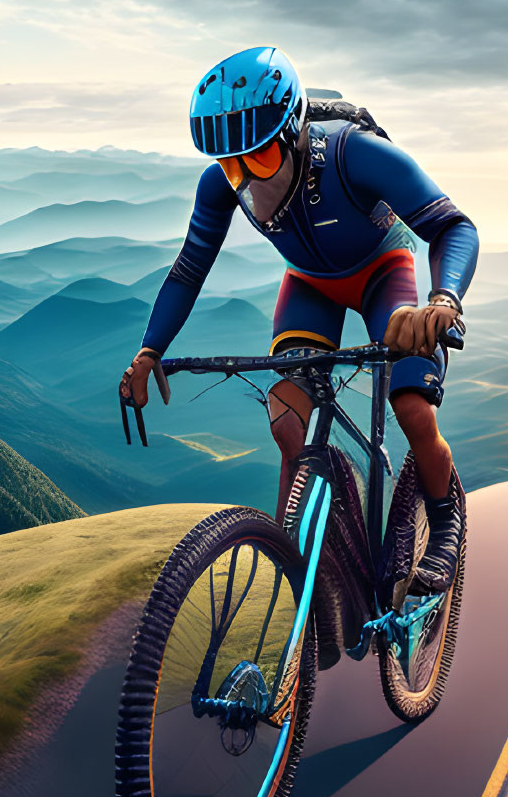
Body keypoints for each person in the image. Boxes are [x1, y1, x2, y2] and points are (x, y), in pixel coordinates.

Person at [119, 46, 479, 593]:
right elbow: (189, 268)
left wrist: (443, 302)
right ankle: (301, 570)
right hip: (309, 283)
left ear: (292, 131)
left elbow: (454, 228)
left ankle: (446, 522)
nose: (244, 180)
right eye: (229, 164)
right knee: (288, 419)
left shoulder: (353, 154)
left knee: (410, 406)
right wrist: (149, 350)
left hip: (385, 272)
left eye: (257, 160)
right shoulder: (222, 185)